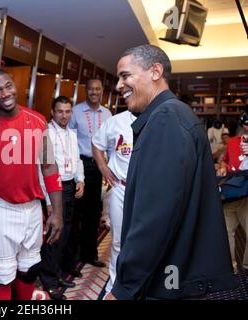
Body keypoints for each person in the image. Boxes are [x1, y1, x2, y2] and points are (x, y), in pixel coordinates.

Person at [105, 44, 237, 300]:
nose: (119, 86)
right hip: (171, 270)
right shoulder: (169, 115)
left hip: (166, 275)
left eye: (125, 76)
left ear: (155, 71)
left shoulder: (166, 119)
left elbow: (155, 216)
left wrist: (123, 288)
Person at [0, 69, 63, 300]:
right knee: (3, 274)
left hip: (33, 206)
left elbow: (49, 166)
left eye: (8, 86)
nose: (5, 93)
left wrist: (57, 211)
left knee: (29, 270)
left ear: (15, 86)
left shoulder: (37, 121)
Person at [39, 96, 85, 300]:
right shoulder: (45, 134)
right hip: (53, 189)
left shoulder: (72, 135)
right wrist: (48, 201)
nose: (64, 115)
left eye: (67, 111)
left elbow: (77, 159)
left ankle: (57, 276)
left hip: (69, 187)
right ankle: (48, 282)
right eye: (60, 111)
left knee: (65, 234)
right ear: (52, 112)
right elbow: (41, 170)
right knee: (53, 236)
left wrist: (80, 179)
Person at [68, 78, 112, 269]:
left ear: (102, 91)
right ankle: (73, 256)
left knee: (94, 212)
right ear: (86, 91)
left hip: (99, 165)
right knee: (77, 212)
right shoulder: (75, 112)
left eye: (98, 89)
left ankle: (90, 254)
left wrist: (109, 169)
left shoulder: (108, 113)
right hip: (80, 165)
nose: (94, 92)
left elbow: (110, 141)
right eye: (91, 89)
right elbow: (68, 139)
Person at [92, 110, 135, 297]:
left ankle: (137, 283)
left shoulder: (159, 115)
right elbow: (96, 143)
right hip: (121, 188)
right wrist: (103, 167)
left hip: (147, 191)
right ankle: (115, 285)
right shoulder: (117, 121)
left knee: (144, 241)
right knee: (118, 241)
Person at [217, 108, 248, 272]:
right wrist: (222, 168)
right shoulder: (234, 142)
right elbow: (225, 161)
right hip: (231, 191)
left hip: (243, 194)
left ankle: (241, 266)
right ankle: (233, 267)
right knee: (227, 233)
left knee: (233, 233)